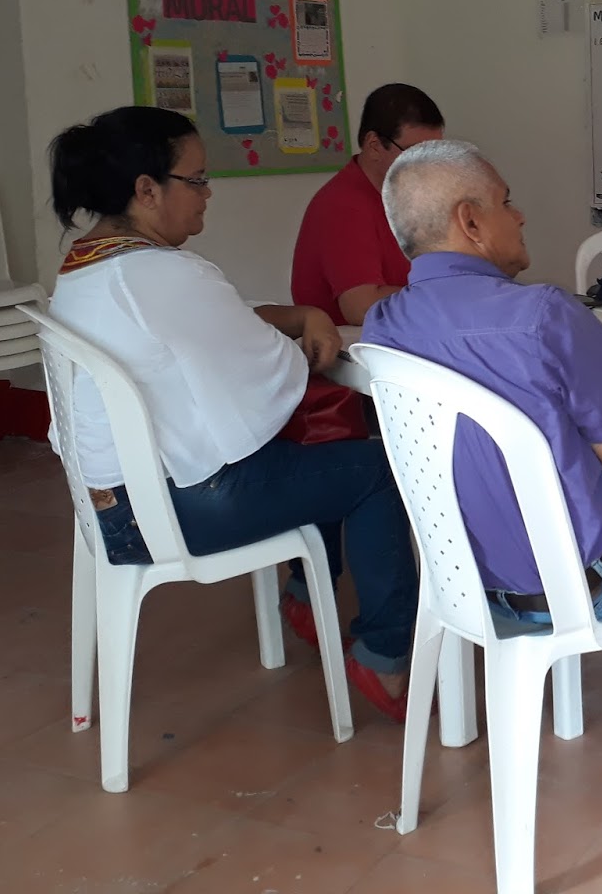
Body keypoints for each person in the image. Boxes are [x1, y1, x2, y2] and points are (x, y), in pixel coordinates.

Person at [363, 140, 602, 734]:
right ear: (470, 222)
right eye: (506, 202)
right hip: (591, 585)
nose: (520, 215)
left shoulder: (383, 326)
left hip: (464, 587)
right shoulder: (545, 314)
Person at [45, 106, 418, 721]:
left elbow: (232, 321)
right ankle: (385, 654)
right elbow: (269, 371)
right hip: (170, 512)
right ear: (147, 190)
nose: (207, 194)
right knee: (376, 468)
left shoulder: (91, 266)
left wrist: (303, 315)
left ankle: (307, 595)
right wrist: (309, 337)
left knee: (320, 455)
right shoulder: (161, 273)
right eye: (196, 180)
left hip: (108, 508)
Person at [291, 83, 445, 327]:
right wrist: (447, 293)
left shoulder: (404, 193)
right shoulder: (342, 205)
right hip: (356, 344)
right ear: (374, 146)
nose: (427, 166)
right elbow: (361, 308)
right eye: (415, 153)